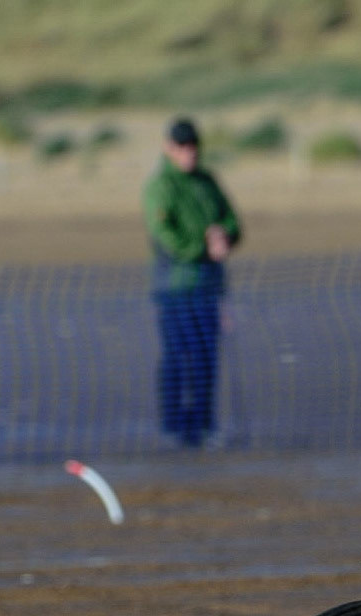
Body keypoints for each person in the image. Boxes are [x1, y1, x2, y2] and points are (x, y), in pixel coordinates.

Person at [143, 117, 241, 448]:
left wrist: (224, 236)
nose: (189, 153)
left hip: (209, 287)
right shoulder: (160, 186)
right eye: (183, 147)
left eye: (194, 147)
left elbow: (231, 218)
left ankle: (203, 424)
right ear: (170, 148)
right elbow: (164, 236)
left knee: (205, 357)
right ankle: (174, 426)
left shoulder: (207, 180)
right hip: (175, 289)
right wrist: (203, 245)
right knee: (177, 356)